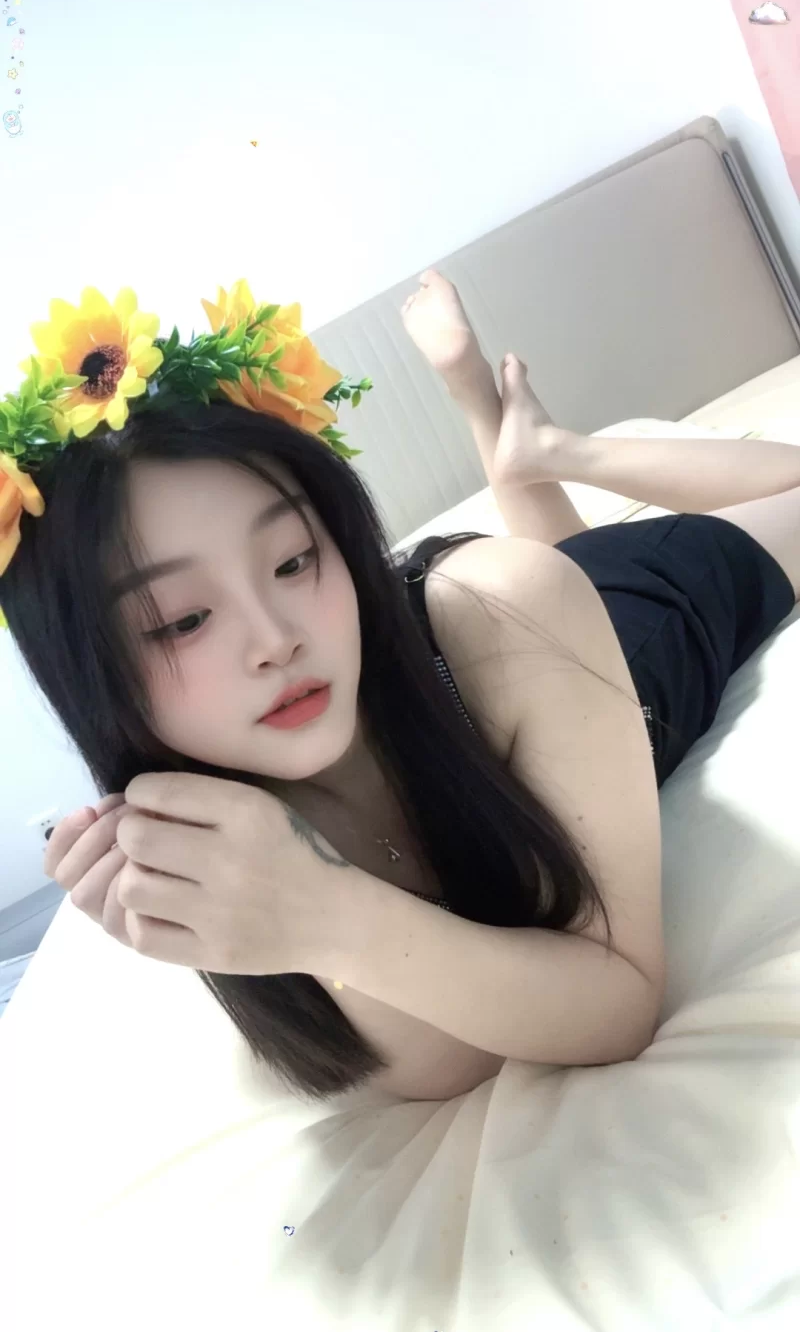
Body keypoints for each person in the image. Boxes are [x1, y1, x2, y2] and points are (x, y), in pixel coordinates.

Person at [6, 272, 799, 1104]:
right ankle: (515, 443)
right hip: (545, 640)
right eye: (183, 620)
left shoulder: (513, 613)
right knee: (560, 563)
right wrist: (298, 920)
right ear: (89, 674)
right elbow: (449, 1063)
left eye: (293, 561)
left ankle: (561, 450)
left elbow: (617, 1006)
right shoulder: (203, 823)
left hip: (628, 639)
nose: (276, 640)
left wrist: (328, 913)